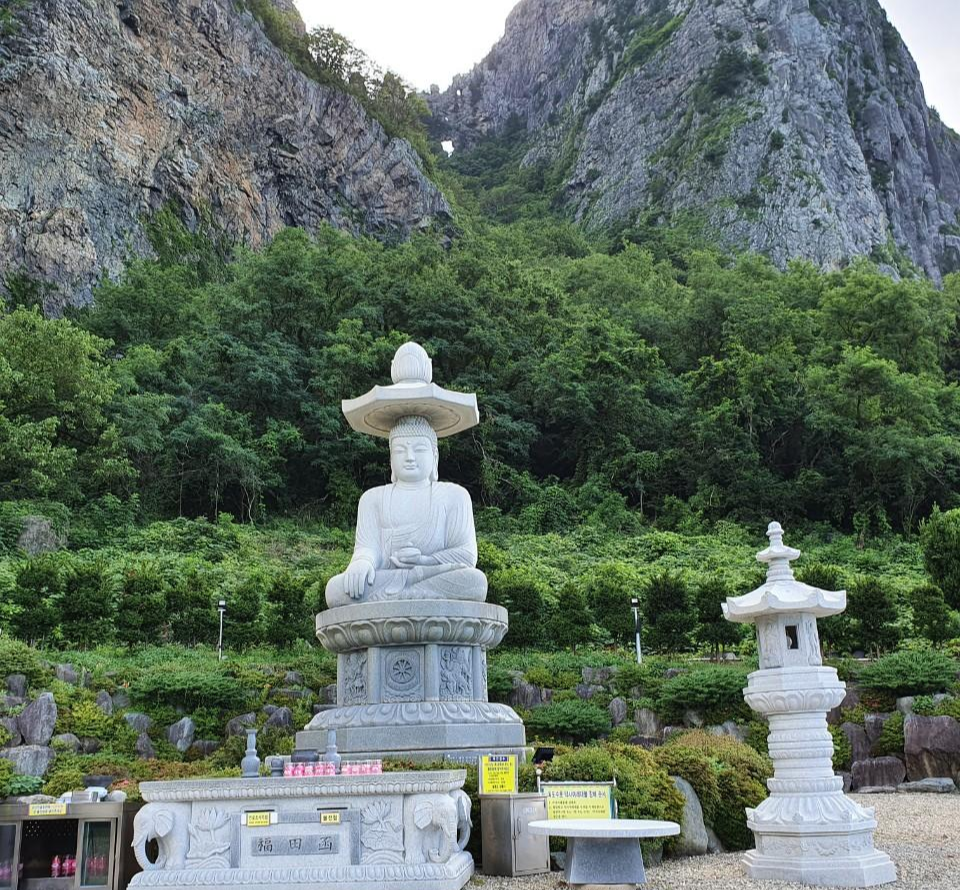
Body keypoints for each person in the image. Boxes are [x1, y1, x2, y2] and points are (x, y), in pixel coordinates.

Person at [324, 415, 487, 608]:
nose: (409, 457)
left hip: (432, 574)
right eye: (400, 450)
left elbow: (466, 555)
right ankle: (417, 595)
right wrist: (362, 562)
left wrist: (424, 561)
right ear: (391, 459)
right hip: (387, 576)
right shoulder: (372, 498)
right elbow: (367, 547)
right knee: (335, 590)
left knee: (475, 581)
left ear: (434, 456)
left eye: (419, 449)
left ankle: (396, 597)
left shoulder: (454, 495)